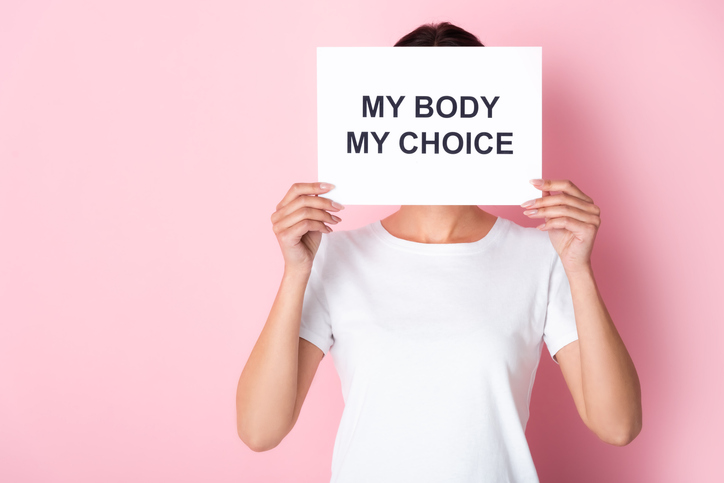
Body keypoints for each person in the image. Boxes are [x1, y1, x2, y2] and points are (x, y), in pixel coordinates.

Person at [236, 22, 642, 483]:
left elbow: (619, 425)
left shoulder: (543, 257)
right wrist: (294, 273)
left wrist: (579, 269)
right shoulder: (335, 257)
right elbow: (259, 430)